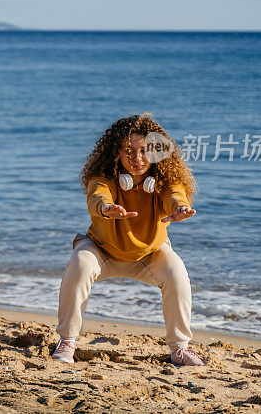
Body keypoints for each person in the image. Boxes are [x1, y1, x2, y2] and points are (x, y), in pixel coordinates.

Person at [52, 114, 204, 366]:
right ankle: (67, 340)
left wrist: (180, 208)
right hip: (103, 251)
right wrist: (106, 207)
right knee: (80, 263)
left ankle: (179, 348)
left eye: (145, 151)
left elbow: (175, 195)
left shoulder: (164, 181)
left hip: (149, 254)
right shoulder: (104, 177)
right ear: (116, 152)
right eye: (128, 150)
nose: (137, 158)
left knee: (176, 272)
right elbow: (97, 195)